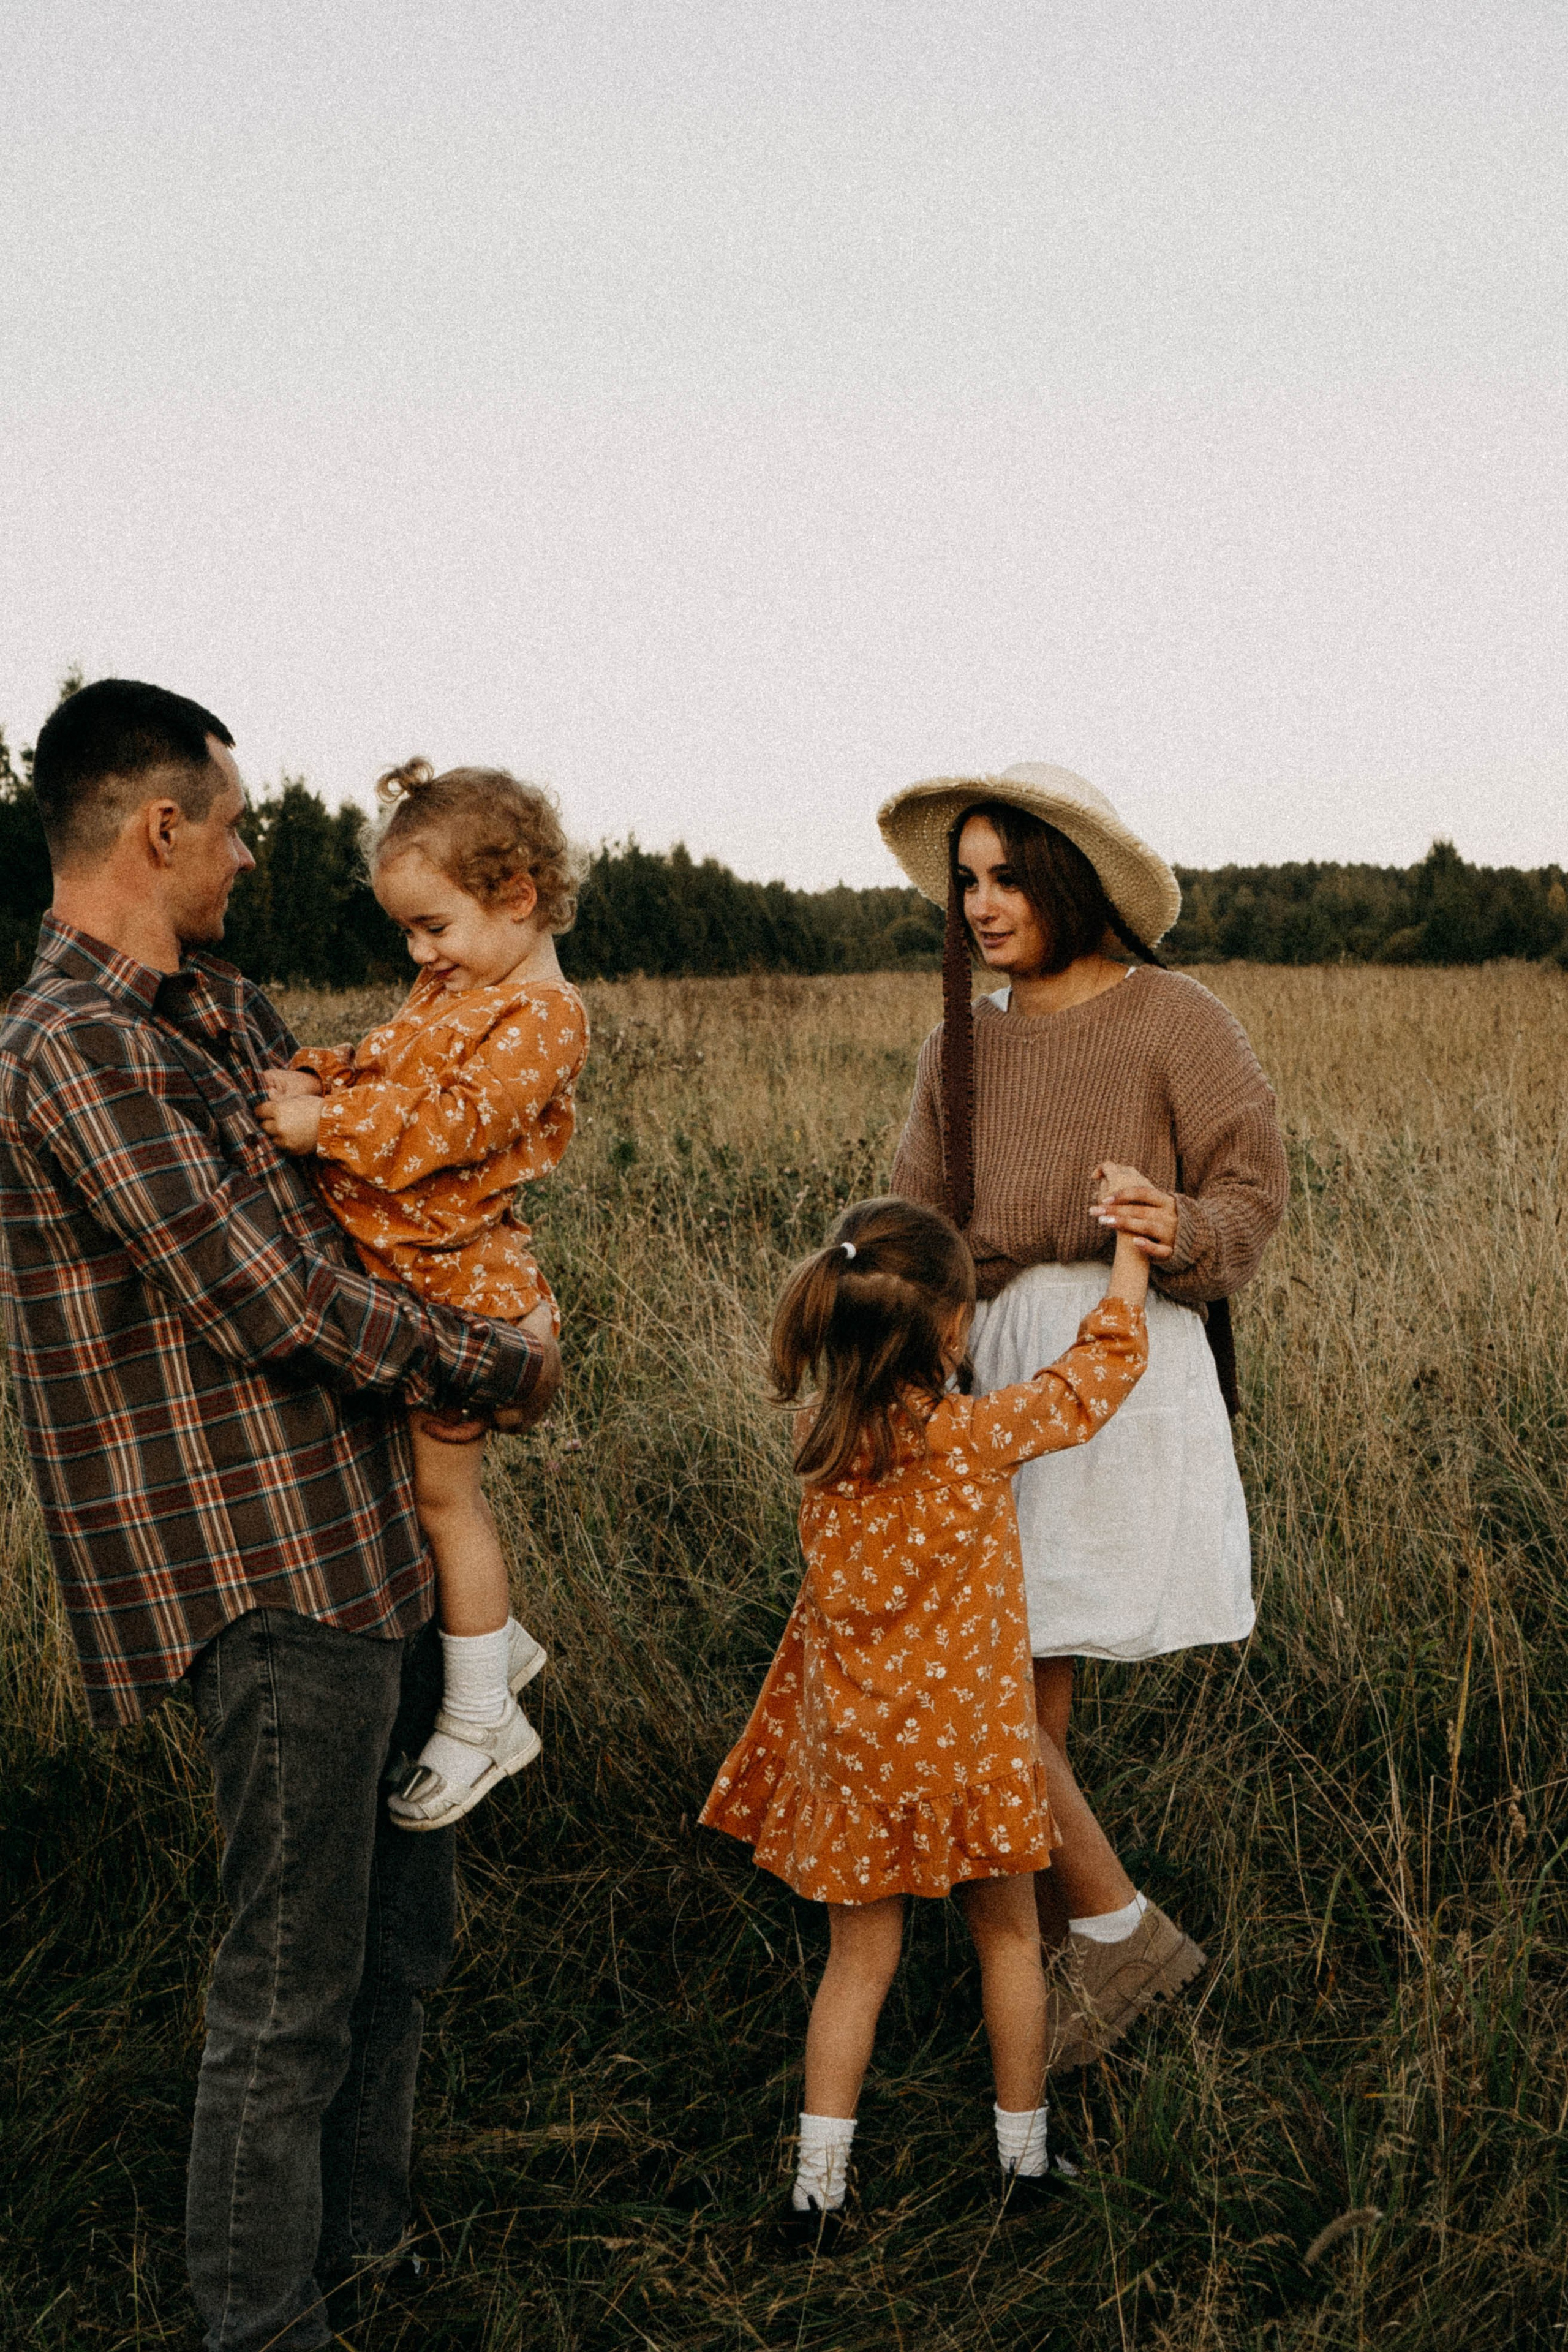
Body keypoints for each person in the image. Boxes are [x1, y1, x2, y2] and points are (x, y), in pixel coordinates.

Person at [0, 680, 560, 2352]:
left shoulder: (221, 1012)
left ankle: (366, 2250)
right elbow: (280, 1301)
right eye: (234, 827)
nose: (250, 855)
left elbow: (377, 1189)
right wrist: (502, 1360)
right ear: (157, 829)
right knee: (288, 1987)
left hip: (367, 1532)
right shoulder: (71, 1052)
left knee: (398, 1951)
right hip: (257, 1576)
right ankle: (260, 2324)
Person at [880, 763, 1288, 2075]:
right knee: (1005, 1689)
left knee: (1001, 1686)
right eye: (966, 882)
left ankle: (1094, 1944)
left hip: (1115, 1365)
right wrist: (894, 1344)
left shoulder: (1173, 1017)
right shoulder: (961, 1039)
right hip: (987, 1368)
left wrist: (1183, 1226)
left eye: (1006, 878)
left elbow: (1250, 1192)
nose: (980, 905)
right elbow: (913, 1222)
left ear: (1069, 883)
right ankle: (1087, 1950)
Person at [701, 1194, 1151, 2246]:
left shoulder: (823, 1455)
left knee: (856, 1966)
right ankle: (1024, 2165)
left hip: (857, 1761)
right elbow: (1089, 1385)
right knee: (1007, 1941)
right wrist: (1129, 1265)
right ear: (953, 1333)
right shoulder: (969, 1440)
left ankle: (817, 2196)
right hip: (972, 1751)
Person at [257, 757, 589, 1831]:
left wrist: (325, 1128)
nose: (419, 954)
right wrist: (318, 1073)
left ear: (518, 898)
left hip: (461, 1298)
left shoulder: (544, 1017)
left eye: (433, 927)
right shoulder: (460, 985)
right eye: (407, 932)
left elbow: (449, 1125)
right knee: (412, 1497)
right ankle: (490, 1632)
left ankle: (486, 1714)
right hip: (412, 1282)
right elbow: (388, 1061)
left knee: (449, 1503)